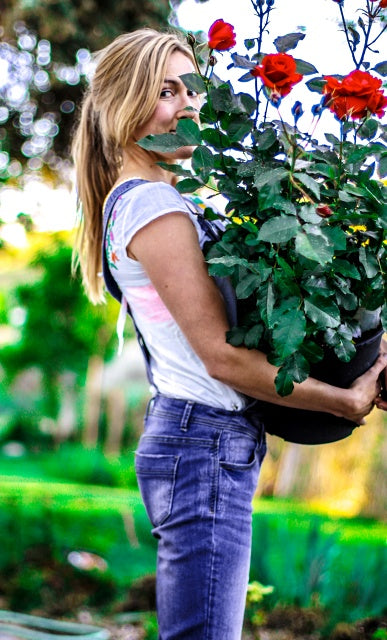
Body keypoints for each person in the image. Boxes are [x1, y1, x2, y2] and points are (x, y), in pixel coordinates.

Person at [72, 27, 387, 640]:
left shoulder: (162, 200)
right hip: (202, 443)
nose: (187, 105)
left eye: (191, 91)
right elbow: (221, 356)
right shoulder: (152, 207)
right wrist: (344, 401)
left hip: (202, 443)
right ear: (121, 103)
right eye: (165, 92)